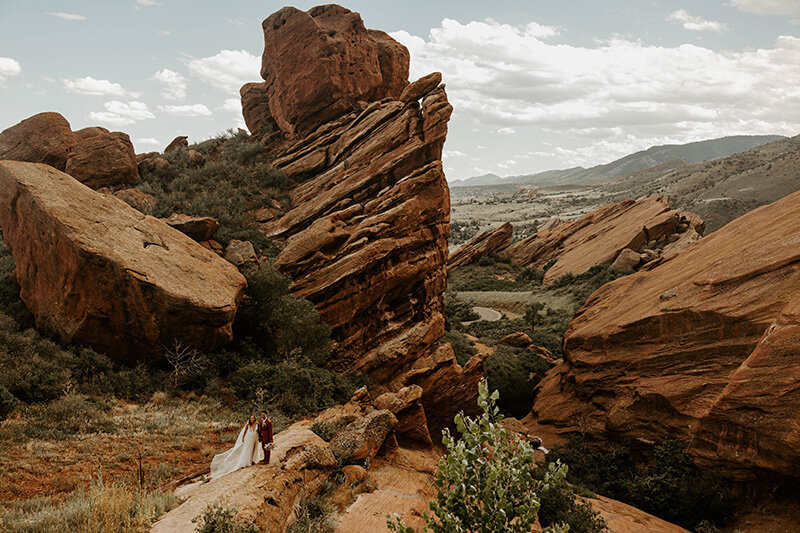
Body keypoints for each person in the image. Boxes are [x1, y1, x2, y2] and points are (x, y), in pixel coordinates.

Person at [210, 415, 262, 479]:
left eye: (253, 418)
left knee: (254, 449)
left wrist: (259, 438)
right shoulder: (248, 424)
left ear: (255, 419)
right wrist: (243, 438)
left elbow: (259, 431)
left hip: (254, 438)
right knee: (248, 450)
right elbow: (245, 432)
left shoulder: (257, 424)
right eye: (251, 418)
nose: (252, 419)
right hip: (248, 438)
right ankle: (248, 461)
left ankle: (253, 460)